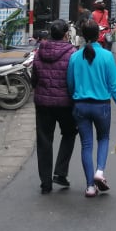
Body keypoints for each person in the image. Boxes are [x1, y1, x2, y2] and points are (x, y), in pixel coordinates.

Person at [67, 20, 116, 197]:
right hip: (101, 106)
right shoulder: (107, 56)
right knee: (103, 138)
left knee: (86, 145)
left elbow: (70, 83)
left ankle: (90, 187)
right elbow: (114, 84)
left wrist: (74, 99)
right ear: (99, 35)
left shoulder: (75, 56)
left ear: (82, 36)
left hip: (80, 106)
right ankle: (100, 172)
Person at [30, 20, 78, 194]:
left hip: (43, 103)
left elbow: (34, 79)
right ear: (66, 34)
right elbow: (75, 80)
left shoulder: (39, 52)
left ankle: (45, 183)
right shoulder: (72, 53)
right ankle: (60, 171)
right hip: (65, 103)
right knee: (70, 133)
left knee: (44, 141)